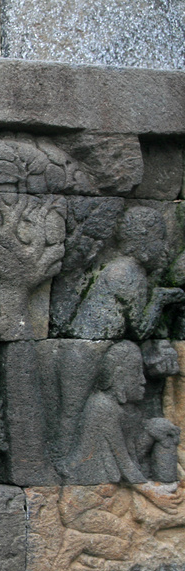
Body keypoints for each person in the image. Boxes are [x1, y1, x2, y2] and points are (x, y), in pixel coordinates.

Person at [64, 341, 180, 484]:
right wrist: (154, 494)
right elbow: (125, 464)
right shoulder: (103, 406)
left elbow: (133, 455)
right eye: (137, 373)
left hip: (124, 483)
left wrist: (150, 432)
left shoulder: (130, 411)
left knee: (162, 429)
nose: (143, 380)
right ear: (119, 375)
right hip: (98, 488)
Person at [68, 206, 185, 340]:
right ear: (144, 238)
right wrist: (160, 298)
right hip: (94, 348)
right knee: (130, 352)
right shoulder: (126, 273)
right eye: (160, 238)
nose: (165, 247)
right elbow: (140, 330)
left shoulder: (128, 268)